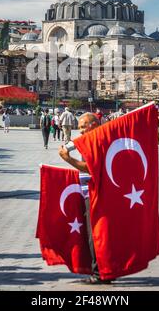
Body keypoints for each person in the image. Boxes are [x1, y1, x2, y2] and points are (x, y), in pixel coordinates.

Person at [58, 112, 112, 285]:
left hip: (94, 193)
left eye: (83, 127)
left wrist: (68, 159)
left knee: (93, 234)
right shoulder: (95, 138)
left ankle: (98, 273)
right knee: (99, 233)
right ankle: (107, 271)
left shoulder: (96, 140)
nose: (80, 131)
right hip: (93, 191)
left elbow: (90, 168)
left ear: (94, 125)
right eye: (79, 127)